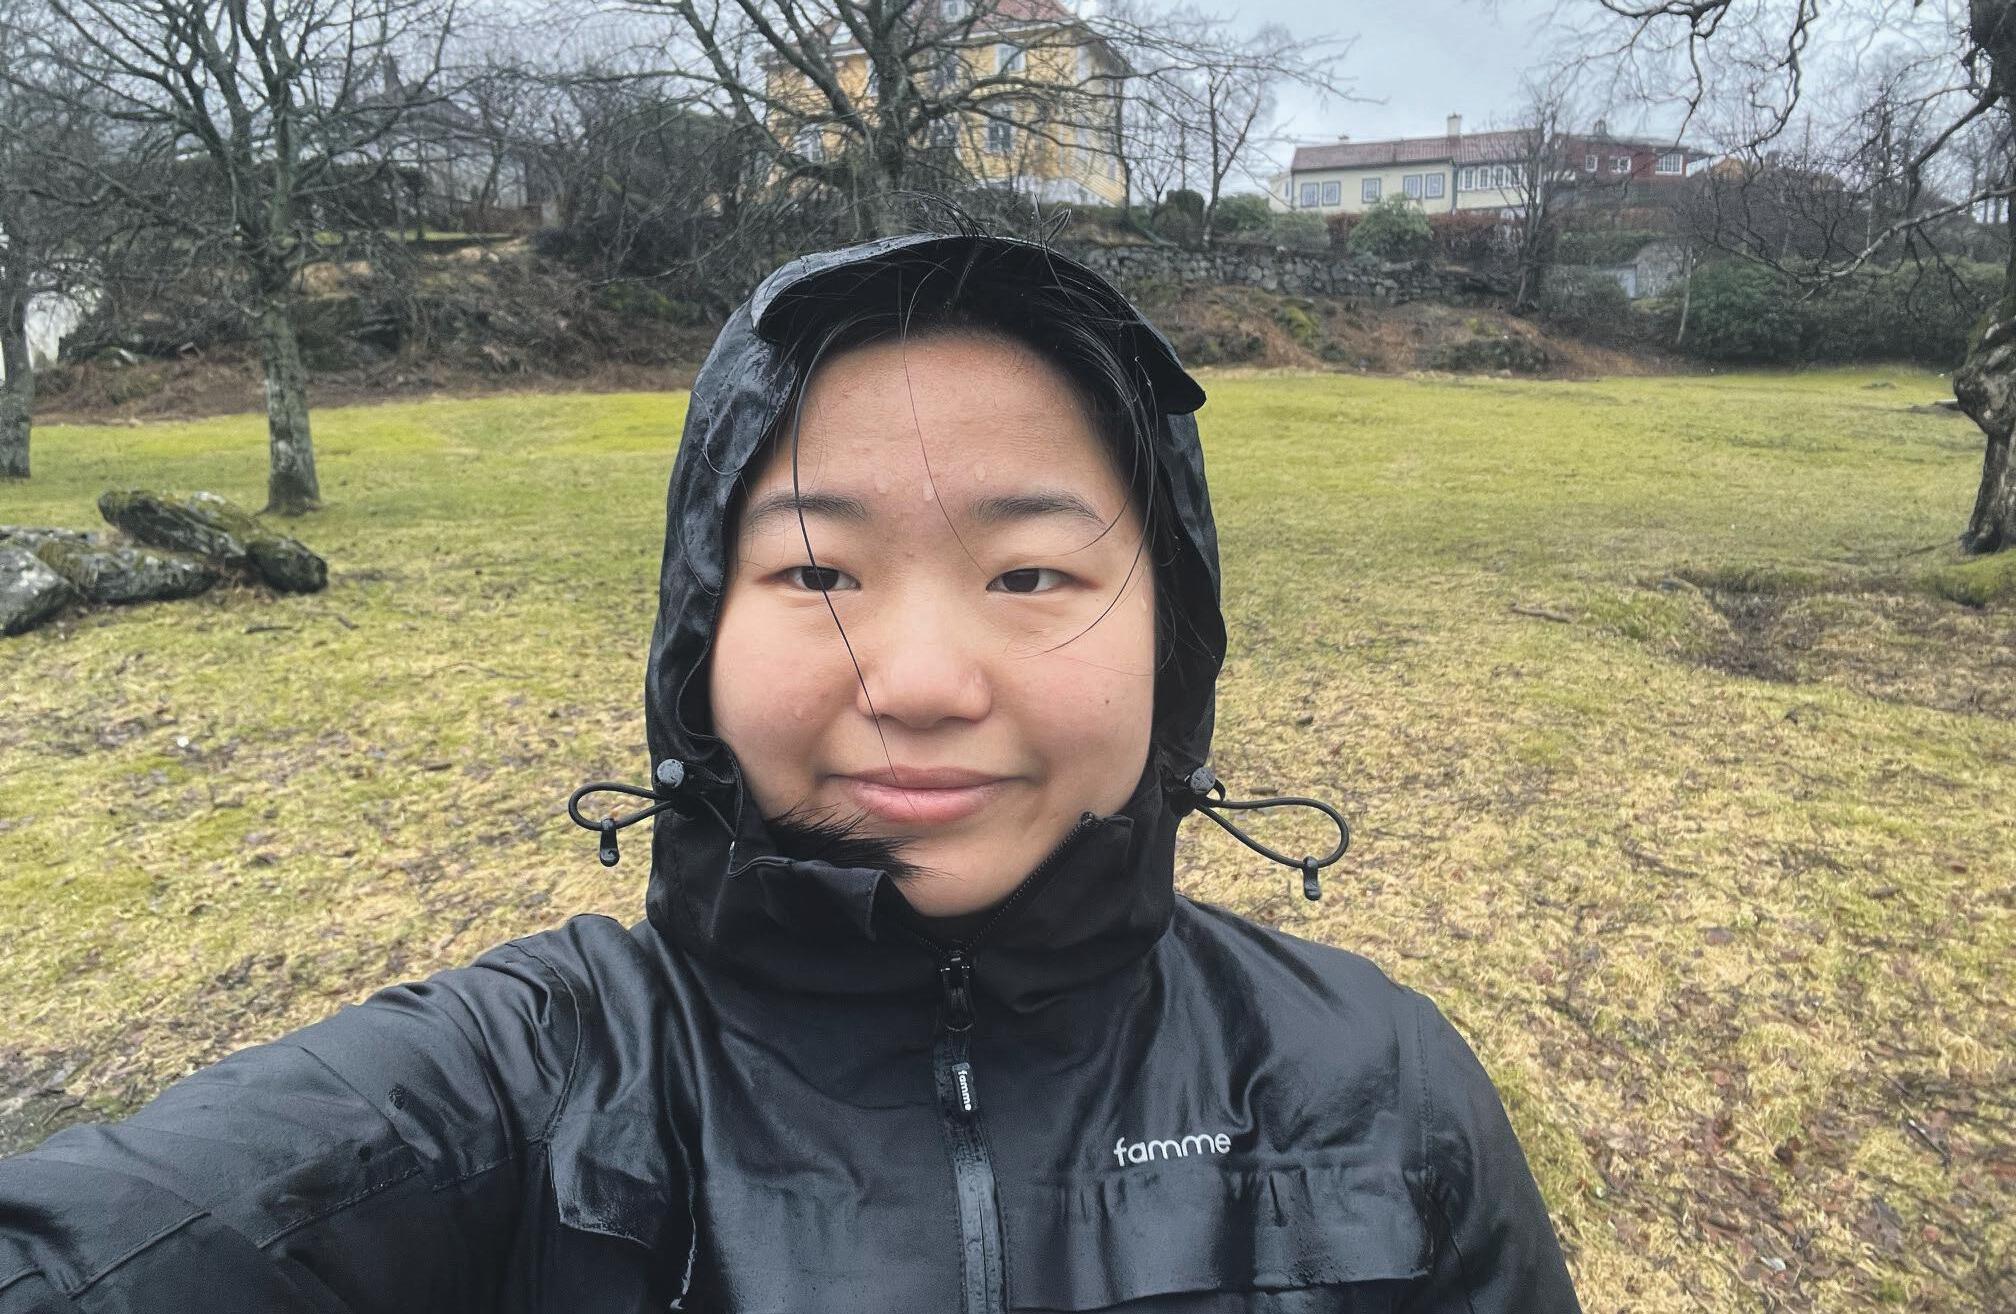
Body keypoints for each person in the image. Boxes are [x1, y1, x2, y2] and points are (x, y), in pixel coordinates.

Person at [0, 231, 1582, 1312]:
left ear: (1174, 633)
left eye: (1032, 573)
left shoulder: (1372, 1089)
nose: (922, 681)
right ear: (700, 630)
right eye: (818, 571)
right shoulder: (529, 1085)